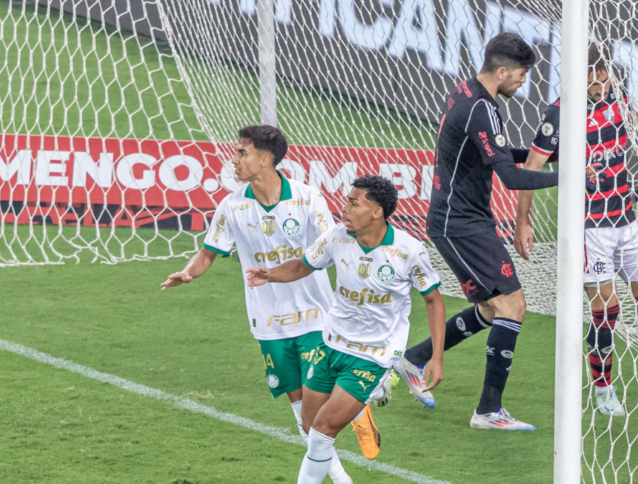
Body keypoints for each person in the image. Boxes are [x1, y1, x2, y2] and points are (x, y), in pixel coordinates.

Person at [159, 126, 377, 483]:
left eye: (242, 152)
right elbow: (209, 252)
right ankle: (344, 472)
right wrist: (188, 273)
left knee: (316, 405)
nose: (234, 159)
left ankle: (356, 409)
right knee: (302, 417)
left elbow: (331, 246)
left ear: (265, 158)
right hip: (269, 324)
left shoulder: (307, 198)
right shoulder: (232, 206)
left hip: (315, 319)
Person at [513, 43, 638, 417]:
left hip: (624, 217)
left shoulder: (616, 93)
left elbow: (631, 116)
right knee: (607, 310)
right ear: (576, 77)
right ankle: (603, 391)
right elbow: (531, 167)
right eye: (592, 80)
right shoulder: (559, 115)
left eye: (603, 78)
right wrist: (523, 220)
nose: (600, 86)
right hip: (588, 227)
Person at [394, 33, 559, 431]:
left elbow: (498, 152)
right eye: (521, 75)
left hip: (467, 219)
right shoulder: (481, 109)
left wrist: (549, 157)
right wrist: (568, 178)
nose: (524, 82)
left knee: (491, 309)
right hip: (458, 224)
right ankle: (488, 411)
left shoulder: (469, 93)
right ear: (501, 71)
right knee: (512, 305)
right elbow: (510, 176)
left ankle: (414, 359)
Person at [245, 175, 446, 484]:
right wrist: (269, 274)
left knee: (324, 428)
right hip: (331, 345)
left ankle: (371, 391)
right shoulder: (336, 237)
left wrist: (436, 357)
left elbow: (433, 300)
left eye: (353, 203)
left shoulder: (409, 251)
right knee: (309, 425)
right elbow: (303, 265)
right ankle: (364, 406)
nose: (344, 209)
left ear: (377, 212)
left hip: (372, 355)